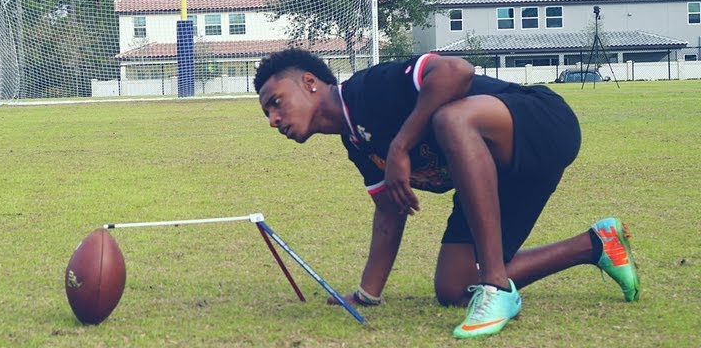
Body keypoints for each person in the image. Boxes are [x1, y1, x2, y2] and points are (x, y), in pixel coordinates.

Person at [253, 48, 638, 339]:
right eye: (267, 114)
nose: (273, 120)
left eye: (276, 103)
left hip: (543, 125)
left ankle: (496, 286)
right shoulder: (357, 144)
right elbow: (389, 213)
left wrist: (401, 147)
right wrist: (366, 294)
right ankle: (596, 245)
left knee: (452, 118)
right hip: (507, 177)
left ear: (309, 82)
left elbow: (456, 70)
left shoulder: (369, 90)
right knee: (453, 287)